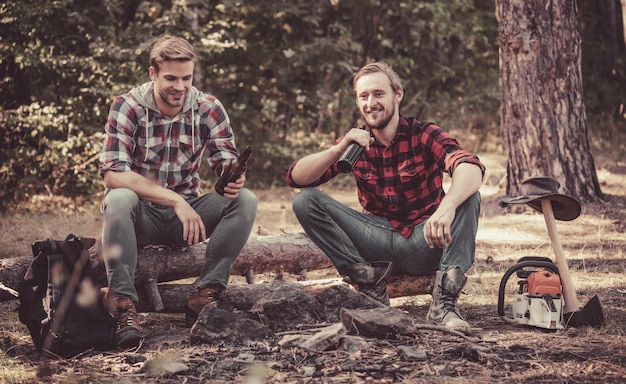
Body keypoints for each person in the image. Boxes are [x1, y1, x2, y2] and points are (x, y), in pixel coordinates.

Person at [283, 62, 485, 335]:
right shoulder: (354, 144)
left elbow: (470, 165)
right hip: (375, 244)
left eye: (378, 94)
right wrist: (339, 148)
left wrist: (447, 206)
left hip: (423, 240)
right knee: (305, 201)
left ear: (397, 95)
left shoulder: (423, 133)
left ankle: (444, 306)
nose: (370, 103)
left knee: (469, 198)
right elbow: (296, 178)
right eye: (363, 96)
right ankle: (371, 291)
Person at [99, 36, 258, 348]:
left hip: (184, 223)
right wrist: (174, 200)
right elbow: (113, 175)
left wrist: (232, 176)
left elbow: (224, 158)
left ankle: (204, 296)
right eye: (171, 77)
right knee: (119, 197)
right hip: (140, 217)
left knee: (246, 199)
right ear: (153, 73)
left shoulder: (208, 108)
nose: (180, 86)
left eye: (187, 78)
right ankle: (122, 306)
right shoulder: (127, 106)